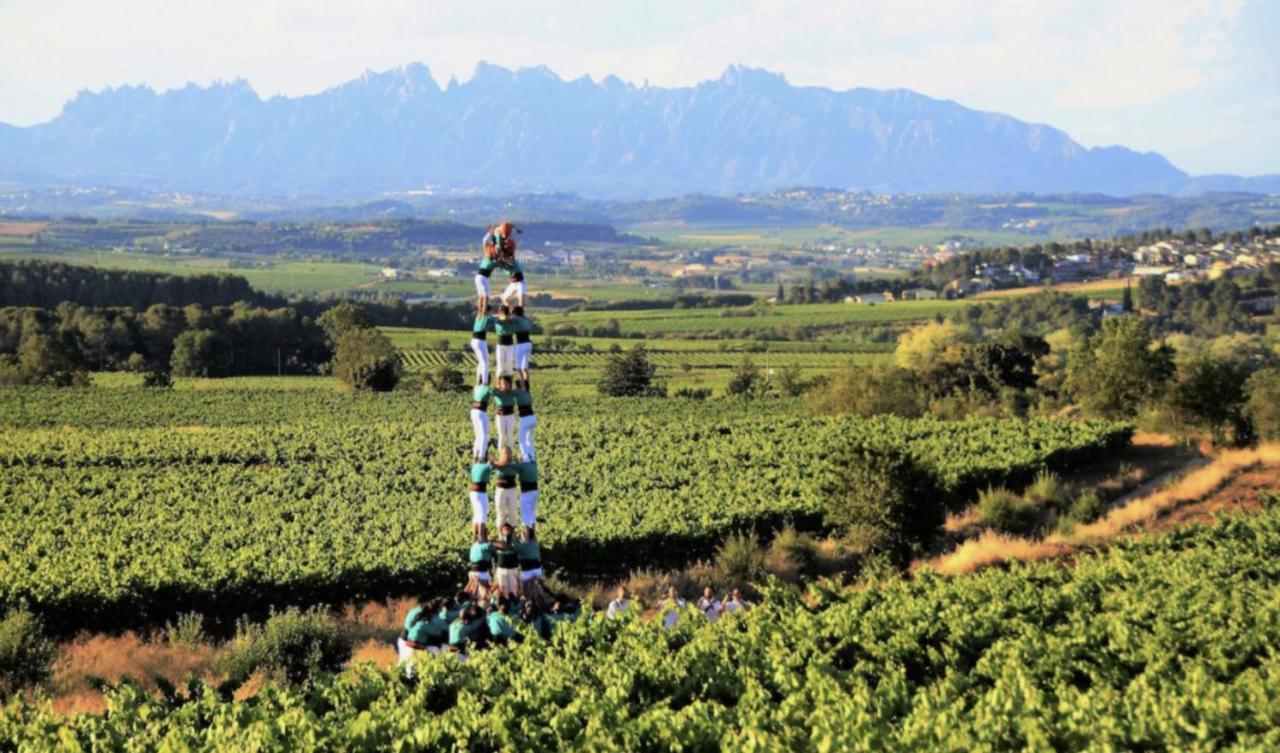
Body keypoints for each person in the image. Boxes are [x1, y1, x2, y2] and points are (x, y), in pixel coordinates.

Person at [476, 221, 525, 310]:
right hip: (512, 280)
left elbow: (484, 242)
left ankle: (484, 311)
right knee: (486, 297)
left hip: (514, 281)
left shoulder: (492, 255)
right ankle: (484, 311)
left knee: (483, 296)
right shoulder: (498, 255)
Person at [515, 528, 553, 608]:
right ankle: (542, 603)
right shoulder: (535, 543)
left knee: (526, 590)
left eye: (522, 533)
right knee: (540, 588)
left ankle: (529, 604)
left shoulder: (521, 545)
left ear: (525, 535)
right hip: (537, 568)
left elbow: (512, 547)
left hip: (527, 569)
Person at [492, 447, 520, 529]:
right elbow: (492, 464)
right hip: (501, 490)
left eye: (508, 452)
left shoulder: (514, 464)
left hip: (512, 490)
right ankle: (501, 535)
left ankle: (512, 535)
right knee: (500, 513)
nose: (506, 454)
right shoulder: (498, 464)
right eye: (505, 453)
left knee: (513, 513)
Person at [491, 523, 521, 598]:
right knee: (502, 591)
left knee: (513, 591)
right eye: (504, 530)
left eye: (508, 529)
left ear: (512, 531)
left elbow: (511, 547)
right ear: (501, 531)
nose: (506, 531)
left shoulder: (516, 542)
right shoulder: (497, 542)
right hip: (501, 570)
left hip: (513, 569)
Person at [469, 302, 495, 386]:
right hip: (480, 341)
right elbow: (495, 320)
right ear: (489, 311)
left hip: (474, 341)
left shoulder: (478, 317)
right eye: (491, 312)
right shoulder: (486, 318)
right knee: (485, 363)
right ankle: (484, 383)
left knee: (481, 361)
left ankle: (478, 380)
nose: (492, 313)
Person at [468, 458, 493, 541]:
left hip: (474, 493)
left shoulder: (475, 467)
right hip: (479, 492)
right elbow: (491, 465)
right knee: (482, 515)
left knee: (477, 515)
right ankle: (480, 537)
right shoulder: (484, 467)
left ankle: (475, 536)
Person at [492, 375, 517, 453]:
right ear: (500, 384)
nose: (506, 386)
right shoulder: (496, 392)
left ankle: (511, 454)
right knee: (502, 436)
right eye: (504, 384)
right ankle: (500, 454)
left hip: (510, 416)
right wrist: (498, 386)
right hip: (500, 416)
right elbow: (491, 390)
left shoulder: (512, 393)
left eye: (507, 384)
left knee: (510, 435)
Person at [493, 305, 518, 380]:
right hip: (501, 345)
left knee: (509, 367)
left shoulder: (512, 320)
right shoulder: (497, 319)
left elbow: (511, 318)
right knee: (500, 367)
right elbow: (502, 318)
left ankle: (509, 386)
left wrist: (508, 316)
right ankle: (499, 386)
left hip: (510, 345)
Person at [470, 381, 492, 462]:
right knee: (484, 435)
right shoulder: (486, 388)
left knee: (478, 435)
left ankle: (475, 455)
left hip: (473, 412)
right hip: (481, 412)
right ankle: (481, 456)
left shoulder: (476, 388)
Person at [515, 383, 536, 463]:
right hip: (533, 418)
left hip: (525, 419)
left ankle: (525, 458)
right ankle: (532, 456)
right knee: (530, 439)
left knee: (521, 440)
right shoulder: (528, 394)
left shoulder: (519, 396)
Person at [513, 305, 533, 387]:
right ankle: (527, 385)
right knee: (525, 368)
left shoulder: (516, 319)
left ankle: (522, 385)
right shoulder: (526, 320)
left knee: (518, 368)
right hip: (528, 343)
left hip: (520, 344)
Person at [517, 457, 539, 532]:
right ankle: (532, 537)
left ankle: (526, 538)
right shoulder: (533, 465)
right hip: (534, 491)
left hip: (526, 492)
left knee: (525, 518)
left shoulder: (523, 468)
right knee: (532, 516)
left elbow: (520, 478)